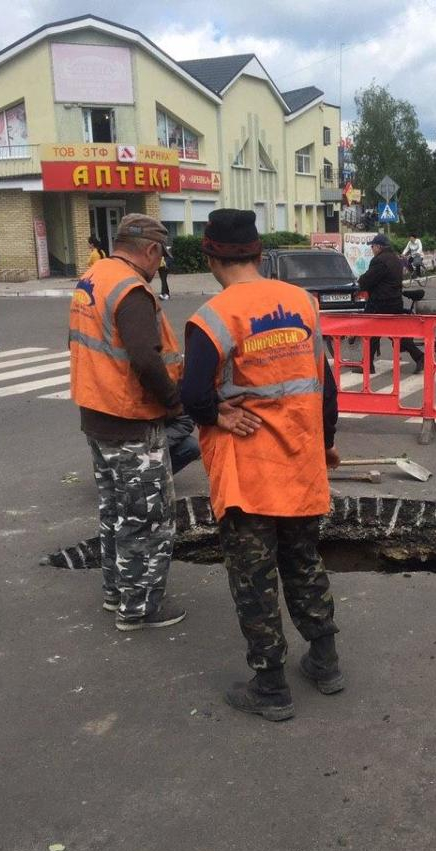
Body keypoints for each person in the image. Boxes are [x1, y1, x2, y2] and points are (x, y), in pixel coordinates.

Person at [182, 208, 342, 722]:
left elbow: (192, 394)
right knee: (303, 562)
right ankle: (325, 660)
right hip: (300, 463)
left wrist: (216, 414)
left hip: (249, 474)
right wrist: (326, 443)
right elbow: (325, 385)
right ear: (258, 251)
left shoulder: (212, 317)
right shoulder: (303, 304)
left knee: (254, 578)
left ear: (211, 256)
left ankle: (270, 686)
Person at [69, 213, 186, 632]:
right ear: (151, 250)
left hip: (97, 413)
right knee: (146, 519)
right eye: (161, 257)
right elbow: (144, 357)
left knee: (116, 511)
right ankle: (139, 609)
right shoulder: (133, 291)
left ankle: (116, 592)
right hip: (130, 418)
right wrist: (175, 403)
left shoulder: (94, 276)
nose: (159, 268)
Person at [358, 233, 424, 374]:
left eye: (373, 246)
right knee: (387, 333)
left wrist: (360, 283)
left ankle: (419, 357)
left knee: (374, 333)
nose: (372, 248)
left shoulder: (380, 261)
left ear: (379, 246)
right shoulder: (394, 258)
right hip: (394, 301)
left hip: (381, 303)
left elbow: (368, 279)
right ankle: (368, 364)